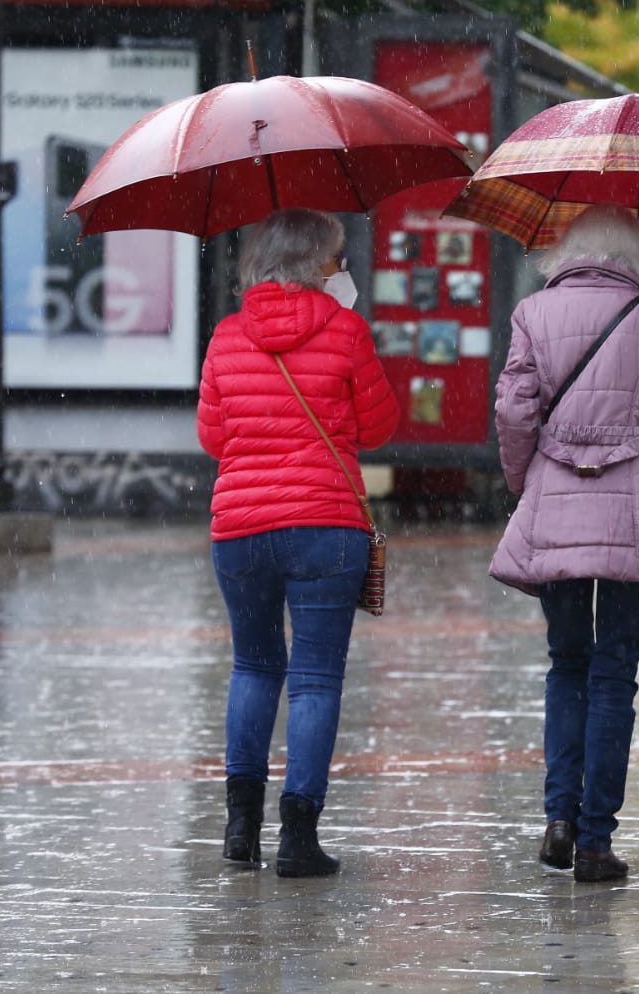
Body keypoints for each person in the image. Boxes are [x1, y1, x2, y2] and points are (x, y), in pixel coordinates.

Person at [489, 204, 639, 883]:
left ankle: (558, 816)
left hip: (555, 503)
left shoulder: (532, 313)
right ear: (637, 252)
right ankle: (596, 841)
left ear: (567, 248)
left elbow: (514, 411)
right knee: (614, 676)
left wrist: (529, 480)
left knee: (566, 663)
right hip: (632, 511)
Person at [197, 208, 398, 878]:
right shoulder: (345, 330)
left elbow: (213, 439)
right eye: (337, 258)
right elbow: (377, 424)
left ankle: (239, 829)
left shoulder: (227, 336)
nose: (345, 269)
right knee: (314, 679)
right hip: (325, 527)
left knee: (253, 668)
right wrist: (343, 328)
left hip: (242, 529)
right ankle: (299, 839)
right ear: (320, 265)